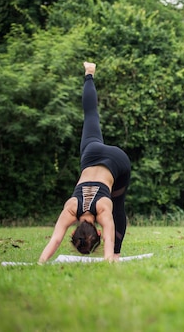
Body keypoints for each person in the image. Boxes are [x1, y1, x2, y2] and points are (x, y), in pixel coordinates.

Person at [39, 62, 131, 263]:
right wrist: (41, 262)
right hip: (92, 154)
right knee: (91, 116)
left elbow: (109, 233)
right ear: (74, 232)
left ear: (96, 233)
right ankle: (89, 73)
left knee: (118, 205)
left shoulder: (103, 208)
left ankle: (117, 254)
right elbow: (55, 240)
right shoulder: (71, 207)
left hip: (118, 161)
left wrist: (109, 257)